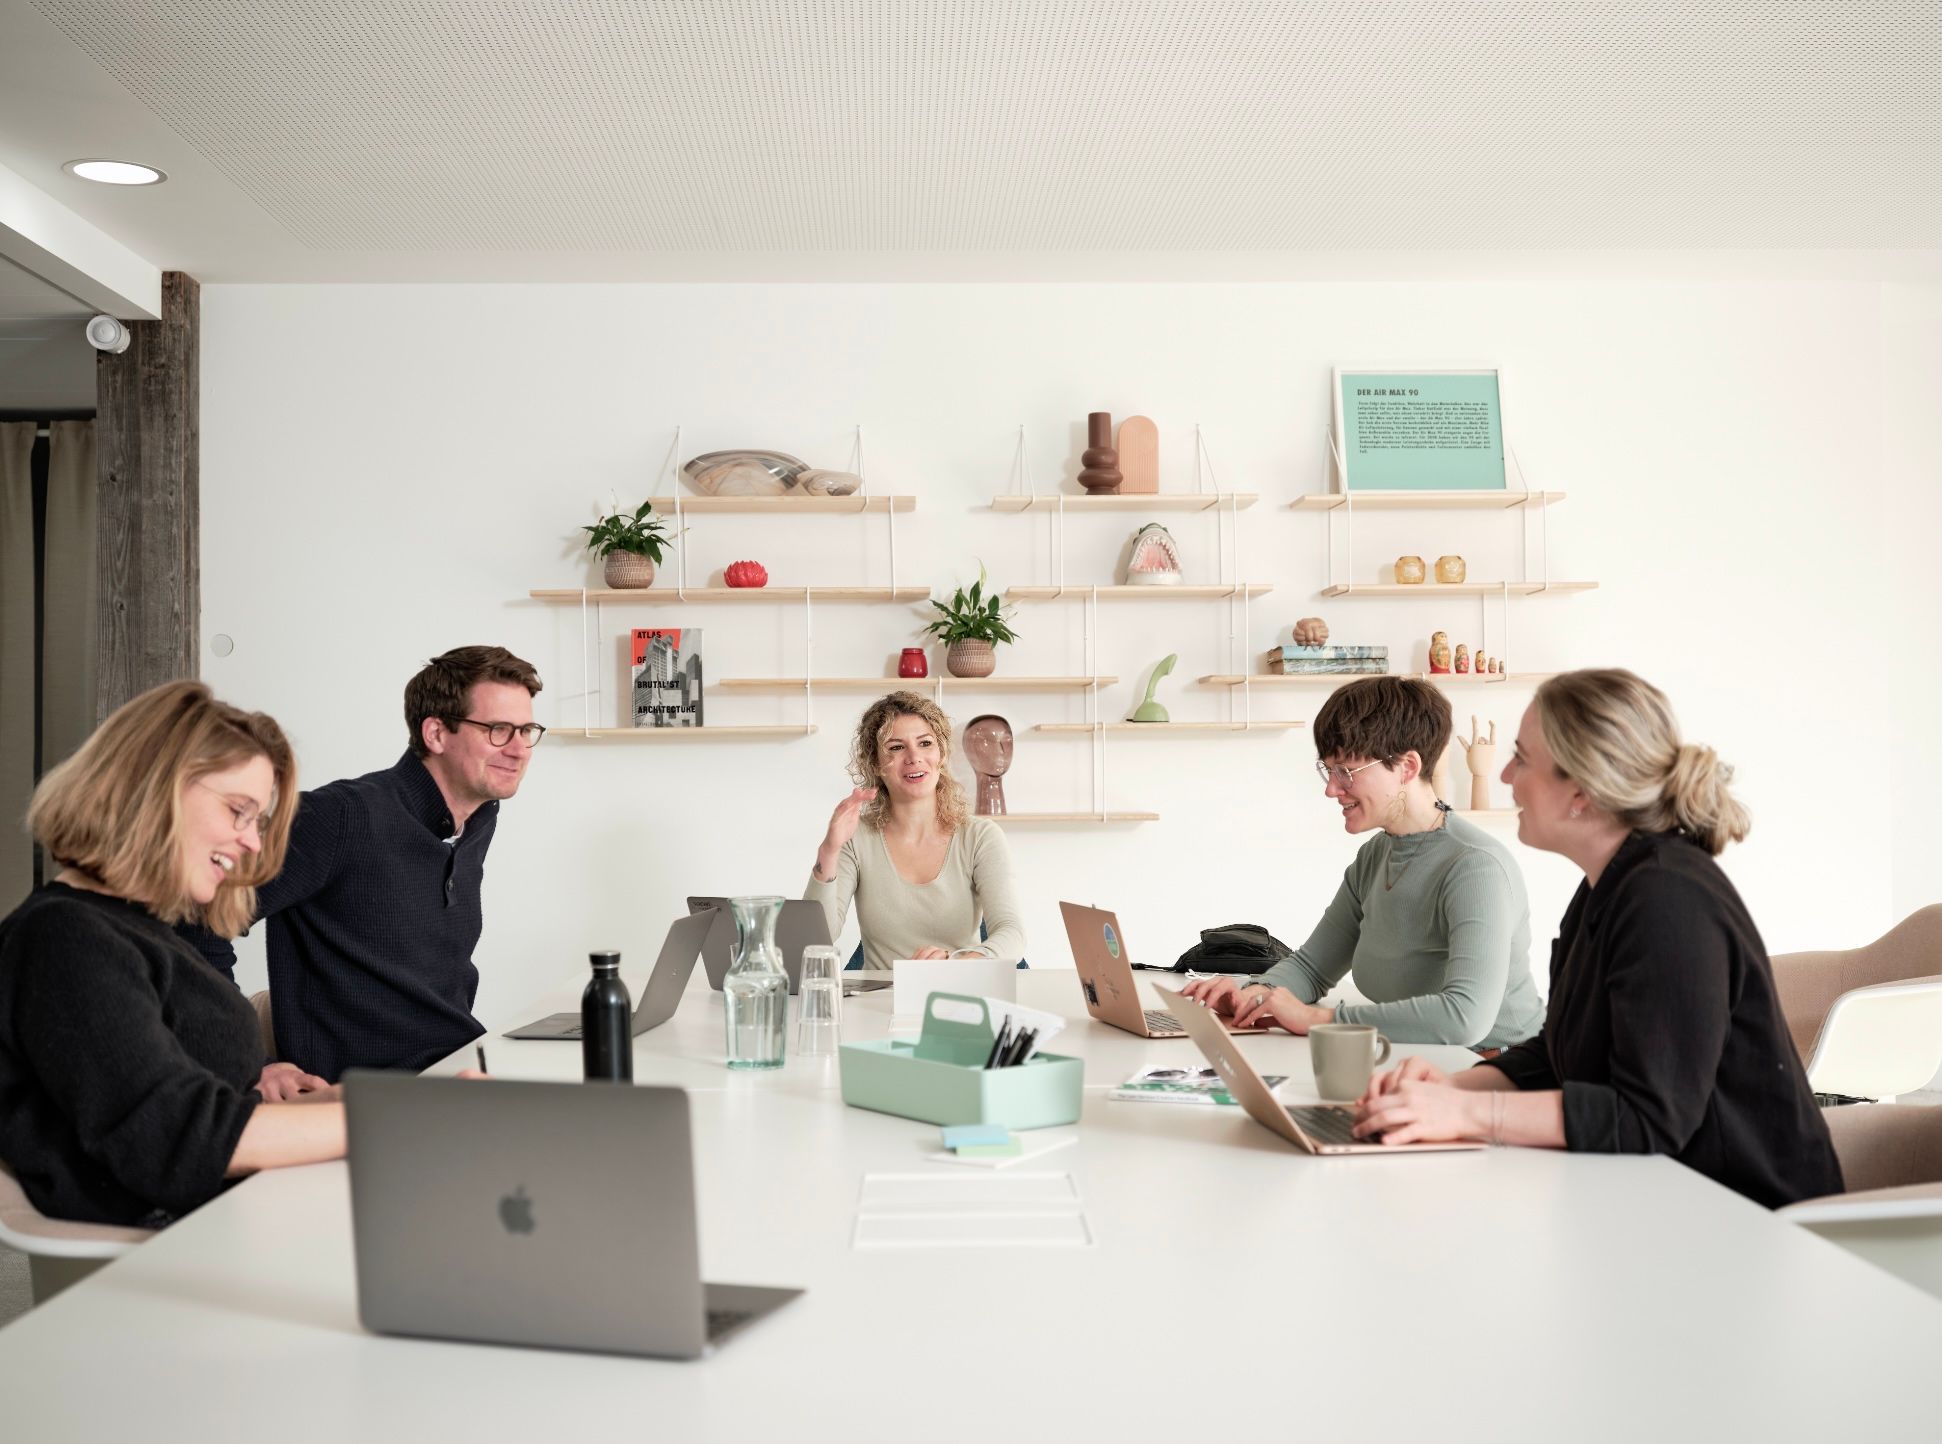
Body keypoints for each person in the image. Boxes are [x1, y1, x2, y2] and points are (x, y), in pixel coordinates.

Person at [1353, 669, 1842, 1210]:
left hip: (1747, 1223)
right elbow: (1563, 1048)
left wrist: (1466, 1116)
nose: (1507, 775)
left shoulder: (1668, 902)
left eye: (1522, 758)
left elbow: (1647, 1118)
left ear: (1582, 792)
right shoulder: (1609, 885)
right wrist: (1458, 1087)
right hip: (1656, 1204)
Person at [0, 682, 347, 1226]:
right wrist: (382, 1121)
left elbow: (173, 1096)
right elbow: (170, 1139)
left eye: (256, 821)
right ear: (154, 789)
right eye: (239, 810)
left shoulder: (137, 929)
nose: (253, 843)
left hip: (226, 1219)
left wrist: (328, 1105)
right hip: (174, 1251)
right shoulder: (66, 937)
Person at [185, 645, 543, 1081]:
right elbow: (191, 922)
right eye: (499, 729)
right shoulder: (340, 817)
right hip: (366, 1094)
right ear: (436, 733)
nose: (520, 749)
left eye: (527, 730)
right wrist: (248, 1066)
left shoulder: (478, 818)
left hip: (456, 1067)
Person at [1183, 676, 1542, 1048]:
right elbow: (1312, 968)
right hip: (1425, 1061)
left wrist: (1318, 1020)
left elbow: (1464, 1019)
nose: (1331, 788)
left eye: (1346, 772)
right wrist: (1253, 994)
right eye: (1328, 770)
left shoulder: (1475, 867)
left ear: (1407, 767)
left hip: (1499, 1069)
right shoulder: (1375, 856)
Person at [806, 691, 1025, 971]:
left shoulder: (980, 836)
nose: (914, 757)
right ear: (875, 763)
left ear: (941, 753)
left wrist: (958, 963)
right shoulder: (855, 837)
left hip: (960, 994)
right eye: (896, 747)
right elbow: (817, 941)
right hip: (880, 1003)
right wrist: (829, 850)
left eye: (925, 743)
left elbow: (1012, 933)